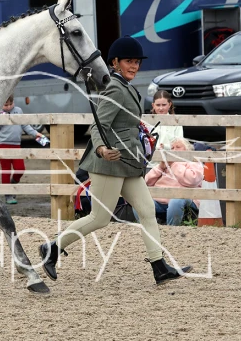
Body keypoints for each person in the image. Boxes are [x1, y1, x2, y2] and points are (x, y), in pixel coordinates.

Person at [39, 36, 191, 284]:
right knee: (99, 218)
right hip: (108, 163)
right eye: (129, 61)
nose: (134, 66)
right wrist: (100, 149)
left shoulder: (127, 87)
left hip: (128, 162)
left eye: (137, 62)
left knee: (147, 210)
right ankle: (52, 248)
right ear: (115, 63)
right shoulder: (114, 88)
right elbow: (99, 126)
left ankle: (159, 267)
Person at [0, 95, 44, 205]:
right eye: (5, 105)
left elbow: (25, 125)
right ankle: (8, 194)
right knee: (6, 170)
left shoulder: (18, 110)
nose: (8, 107)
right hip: (2, 144)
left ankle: (13, 182)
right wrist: (2, 119)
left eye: (10, 104)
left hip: (16, 144)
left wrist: (36, 134)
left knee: (20, 168)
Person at [145, 137, 204, 225]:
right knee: (142, 202)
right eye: (172, 148)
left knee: (176, 200)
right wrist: (160, 167)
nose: (174, 150)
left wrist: (174, 164)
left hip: (185, 198)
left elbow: (191, 180)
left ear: (187, 150)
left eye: (178, 147)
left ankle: (172, 230)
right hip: (160, 199)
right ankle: (148, 228)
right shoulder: (166, 163)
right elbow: (147, 181)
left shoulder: (193, 162)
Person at [150, 89, 184, 153]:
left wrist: (165, 147)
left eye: (164, 105)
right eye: (158, 105)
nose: (161, 108)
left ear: (169, 105)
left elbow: (179, 145)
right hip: (151, 157)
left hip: (171, 156)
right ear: (153, 105)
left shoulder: (176, 122)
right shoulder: (147, 121)